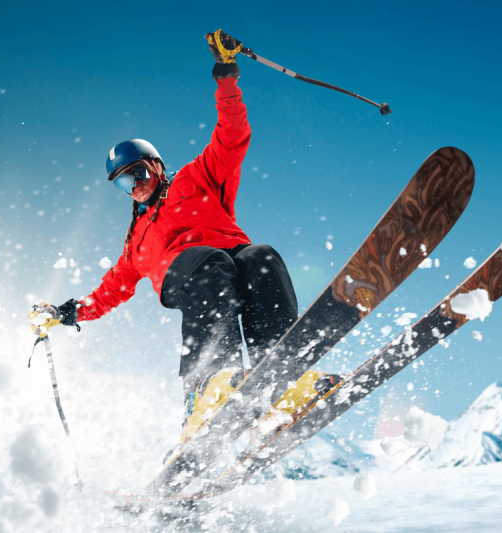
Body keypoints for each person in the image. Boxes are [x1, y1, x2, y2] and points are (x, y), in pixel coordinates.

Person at [37, 30, 312, 448]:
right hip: (191, 274)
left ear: (157, 167)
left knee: (262, 257)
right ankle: (205, 389)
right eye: (122, 184)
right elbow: (110, 292)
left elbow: (232, 135)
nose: (134, 187)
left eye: (139, 174)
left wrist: (226, 77)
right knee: (209, 261)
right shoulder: (136, 242)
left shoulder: (196, 177)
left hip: (231, 257)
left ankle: (280, 376)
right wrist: (67, 312)